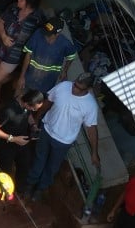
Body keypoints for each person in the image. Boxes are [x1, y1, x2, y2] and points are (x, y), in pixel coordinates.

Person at [23, 73, 100, 201]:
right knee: (39, 159)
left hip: (63, 141)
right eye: (75, 84)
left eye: (79, 88)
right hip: (47, 130)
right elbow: (48, 102)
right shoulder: (64, 86)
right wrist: (37, 119)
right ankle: (30, 184)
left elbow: (91, 129)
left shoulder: (90, 106)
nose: (74, 89)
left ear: (87, 89)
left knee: (52, 167)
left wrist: (94, 152)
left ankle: (40, 188)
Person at [0, 0, 43, 108]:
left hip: (15, 55)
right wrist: (3, 36)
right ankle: (8, 84)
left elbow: (38, 39)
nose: (18, 0)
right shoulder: (13, 8)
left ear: (29, 4)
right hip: (0, 47)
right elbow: (0, 21)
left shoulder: (37, 19)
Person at [0, 89, 45, 193]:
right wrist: (13, 139)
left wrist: (33, 125)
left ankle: (20, 190)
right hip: (5, 146)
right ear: (27, 103)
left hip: (21, 143)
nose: (34, 110)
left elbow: (28, 115)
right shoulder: (8, 111)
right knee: (5, 171)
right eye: (33, 108)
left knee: (24, 165)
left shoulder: (27, 107)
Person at [16, 17, 77, 95]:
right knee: (19, 96)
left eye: (50, 34)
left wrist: (65, 71)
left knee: (36, 101)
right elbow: (28, 54)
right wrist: (22, 76)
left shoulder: (65, 44)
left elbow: (71, 56)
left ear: (58, 34)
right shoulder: (38, 34)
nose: (46, 36)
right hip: (29, 77)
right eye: (46, 32)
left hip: (47, 83)